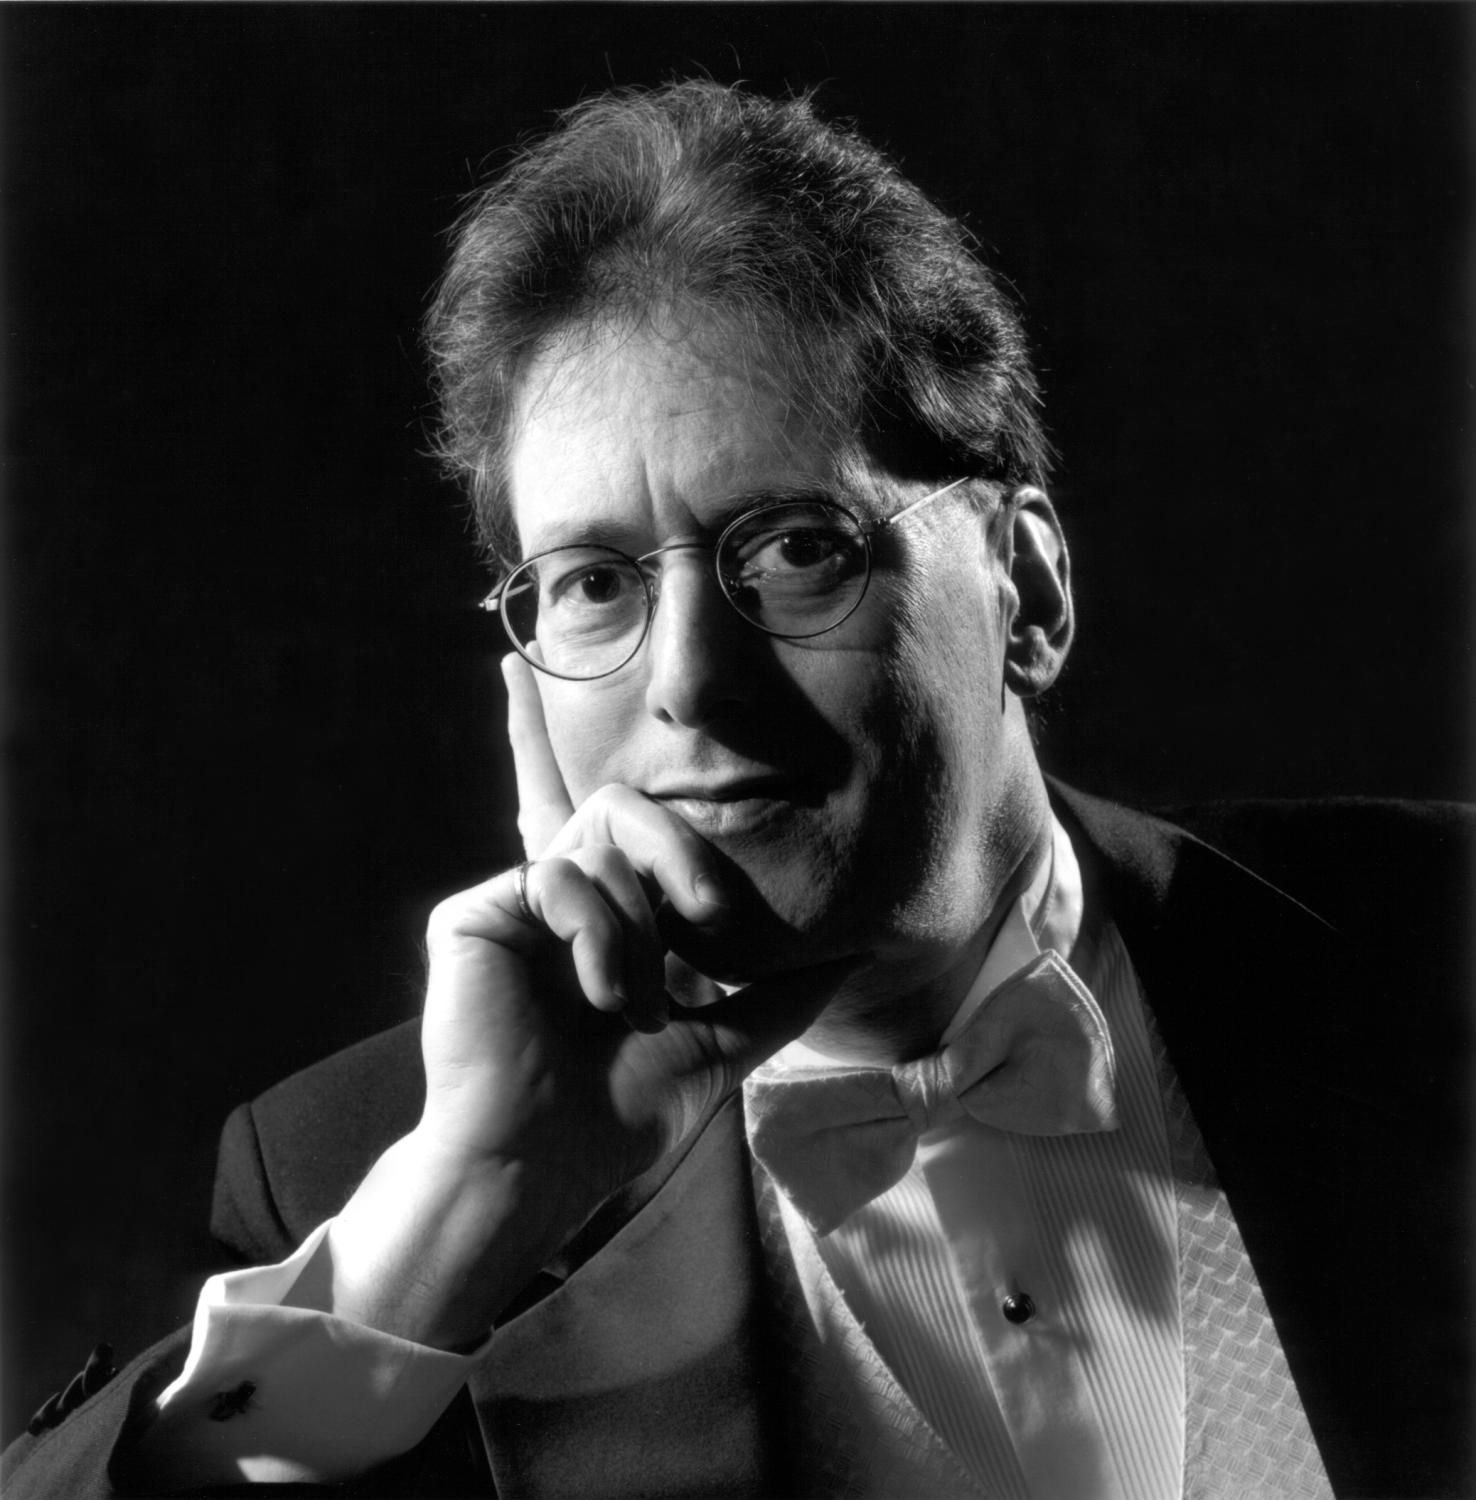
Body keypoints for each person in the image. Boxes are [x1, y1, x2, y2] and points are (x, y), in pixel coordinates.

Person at [3, 80, 1467, 1499]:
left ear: (1024, 589)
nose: (691, 682)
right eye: (592, 584)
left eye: (793, 547)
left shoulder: (1428, 941)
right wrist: (463, 1211)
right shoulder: (363, 1179)